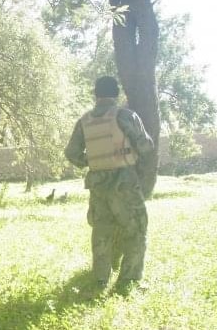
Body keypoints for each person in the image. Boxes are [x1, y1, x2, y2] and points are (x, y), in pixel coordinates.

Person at [64, 76, 154, 288]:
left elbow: (71, 153)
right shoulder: (125, 116)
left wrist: (93, 160)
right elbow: (146, 146)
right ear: (117, 93)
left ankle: (100, 278)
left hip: (97, 184)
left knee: (101, 231)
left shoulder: (84, 120)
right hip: (124, 182)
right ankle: (128, 279)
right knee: (136, 229)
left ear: (96, 94)